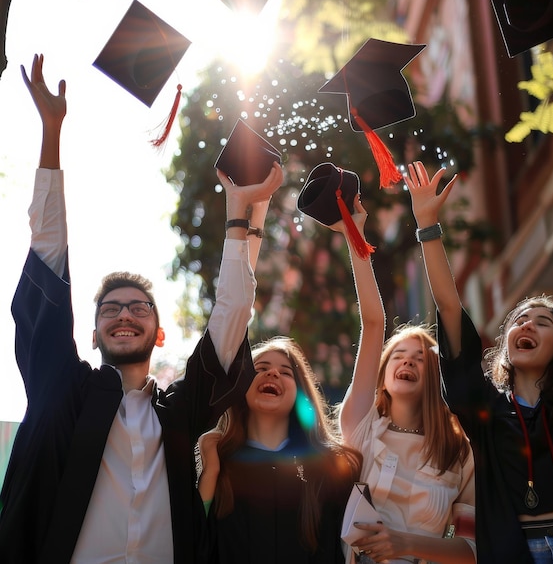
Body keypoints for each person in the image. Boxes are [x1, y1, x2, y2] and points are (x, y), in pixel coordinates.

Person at [0, 53, 284, 563]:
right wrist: (51, 133)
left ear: (159, 334)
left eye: (138, 309)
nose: (124, 315)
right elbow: (48, 256)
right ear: (91, 335)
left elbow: (231, 314)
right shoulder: (63, 391)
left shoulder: (180, 416)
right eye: (110, 310)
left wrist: (240, 215)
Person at [405, 122, 553, 563]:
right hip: (519, 552)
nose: (526, 325)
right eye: (519, 320)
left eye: (543, 322)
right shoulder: (485, 410)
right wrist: (427, 226)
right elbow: (450, 309)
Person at [336, 202, 477, 564]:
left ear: (436, 377)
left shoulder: (461, 452)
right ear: (381, 375)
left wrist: (406, 545)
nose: (408, 360)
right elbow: (372, 322)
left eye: (420, 357)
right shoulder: (362, 427)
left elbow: (472, 551)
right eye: (398, 355)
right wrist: (354, 234)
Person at [197, 335, 362, 563]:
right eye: (260, 368)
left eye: (286, 372)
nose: (273, 373)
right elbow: (193, 544)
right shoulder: (219, 464)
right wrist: (211, 471)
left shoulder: (329, 469)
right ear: (240, 387)